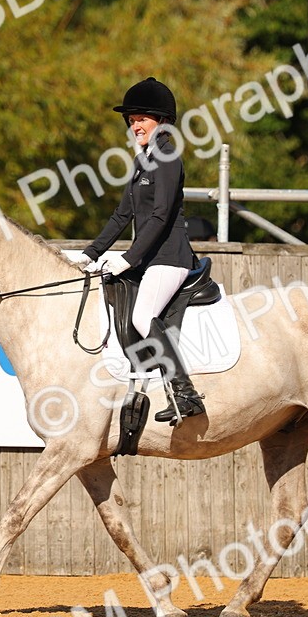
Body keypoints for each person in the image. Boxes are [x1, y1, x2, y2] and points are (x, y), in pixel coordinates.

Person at [81, 77, 205, 423]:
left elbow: (162, 214)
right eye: (131, 120)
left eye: (142, 119)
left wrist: (128, 258)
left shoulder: (167, 154)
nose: (135, 125)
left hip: (170, 257)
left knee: (141, 316)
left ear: (161, 121)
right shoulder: (143, 160)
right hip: (150, 260)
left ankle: (185, 394)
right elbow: (122, 215)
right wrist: (89, 253)